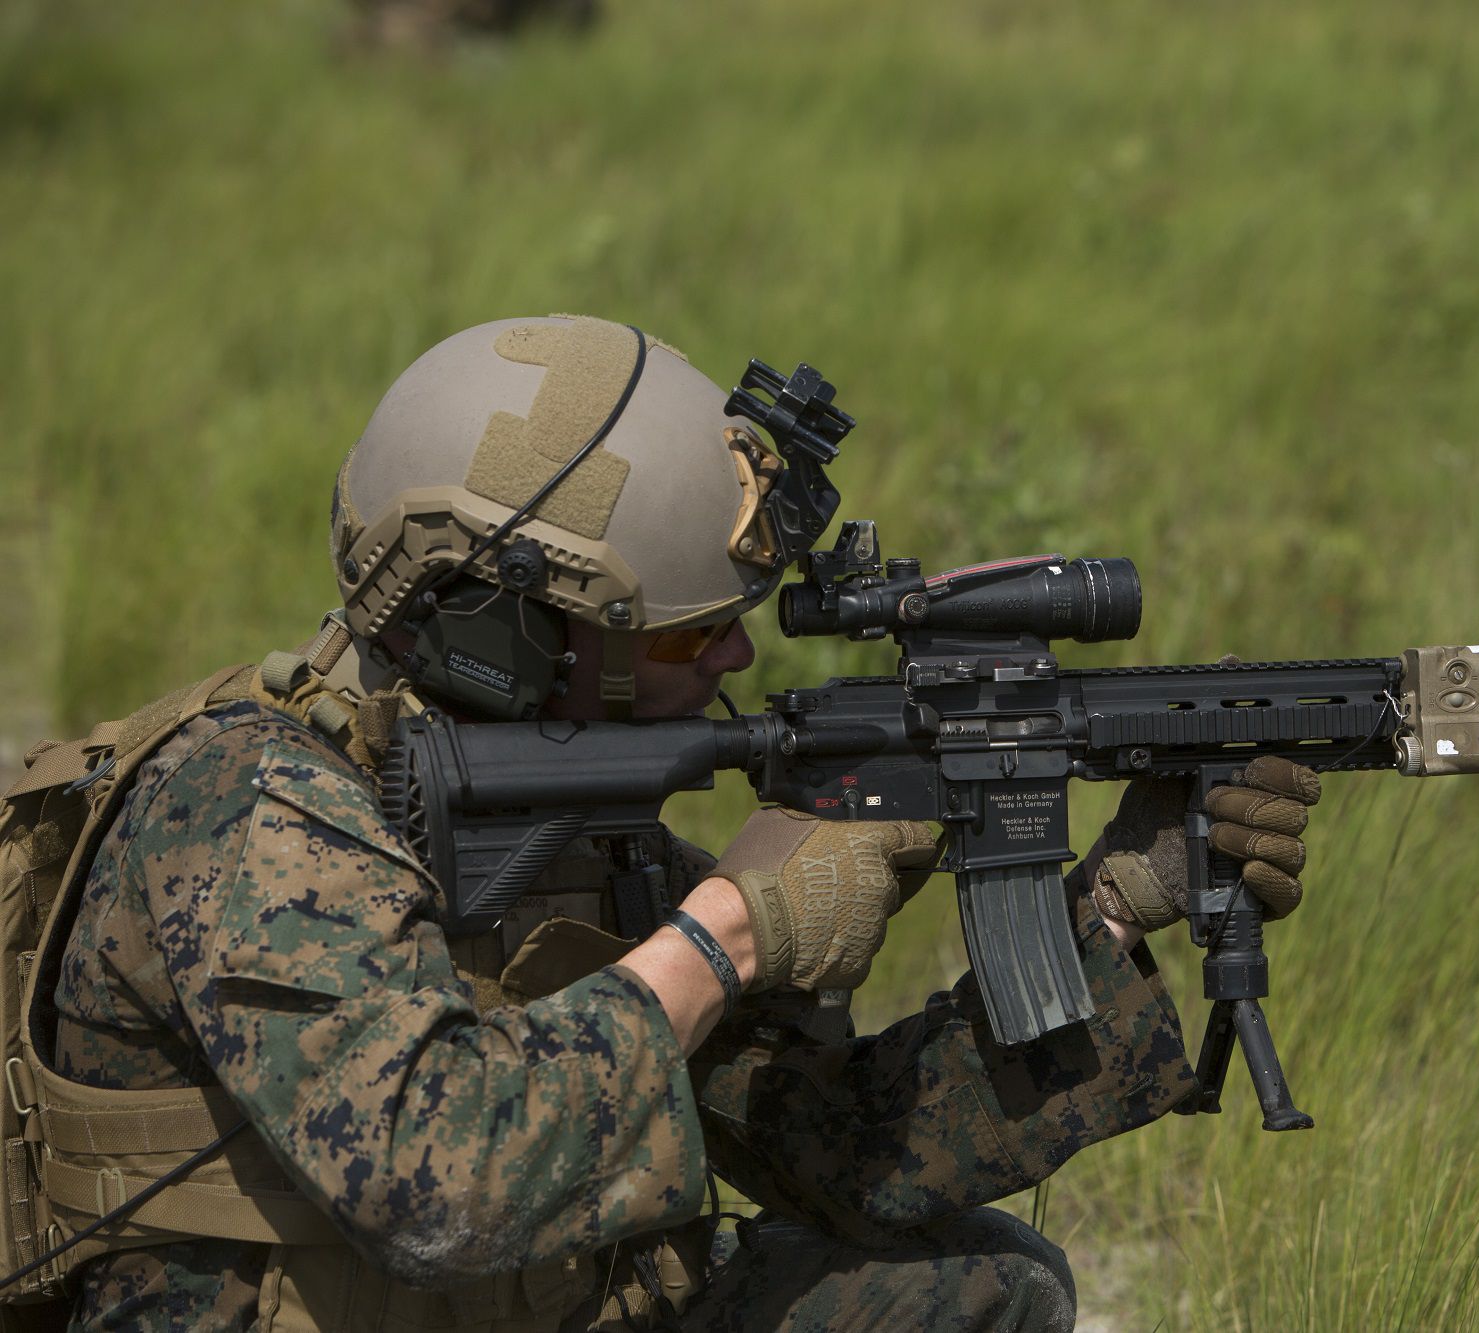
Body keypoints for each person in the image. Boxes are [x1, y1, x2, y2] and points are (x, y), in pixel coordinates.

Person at [38, 315, 1321, 1330]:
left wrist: (1108, 907)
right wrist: (721, 940)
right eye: (688, 630)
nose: (733, 655)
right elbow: (433, 1180)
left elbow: (851, 1155)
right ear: (513, 635)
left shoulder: (591, 839)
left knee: (984, 1288)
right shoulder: (249, 810)